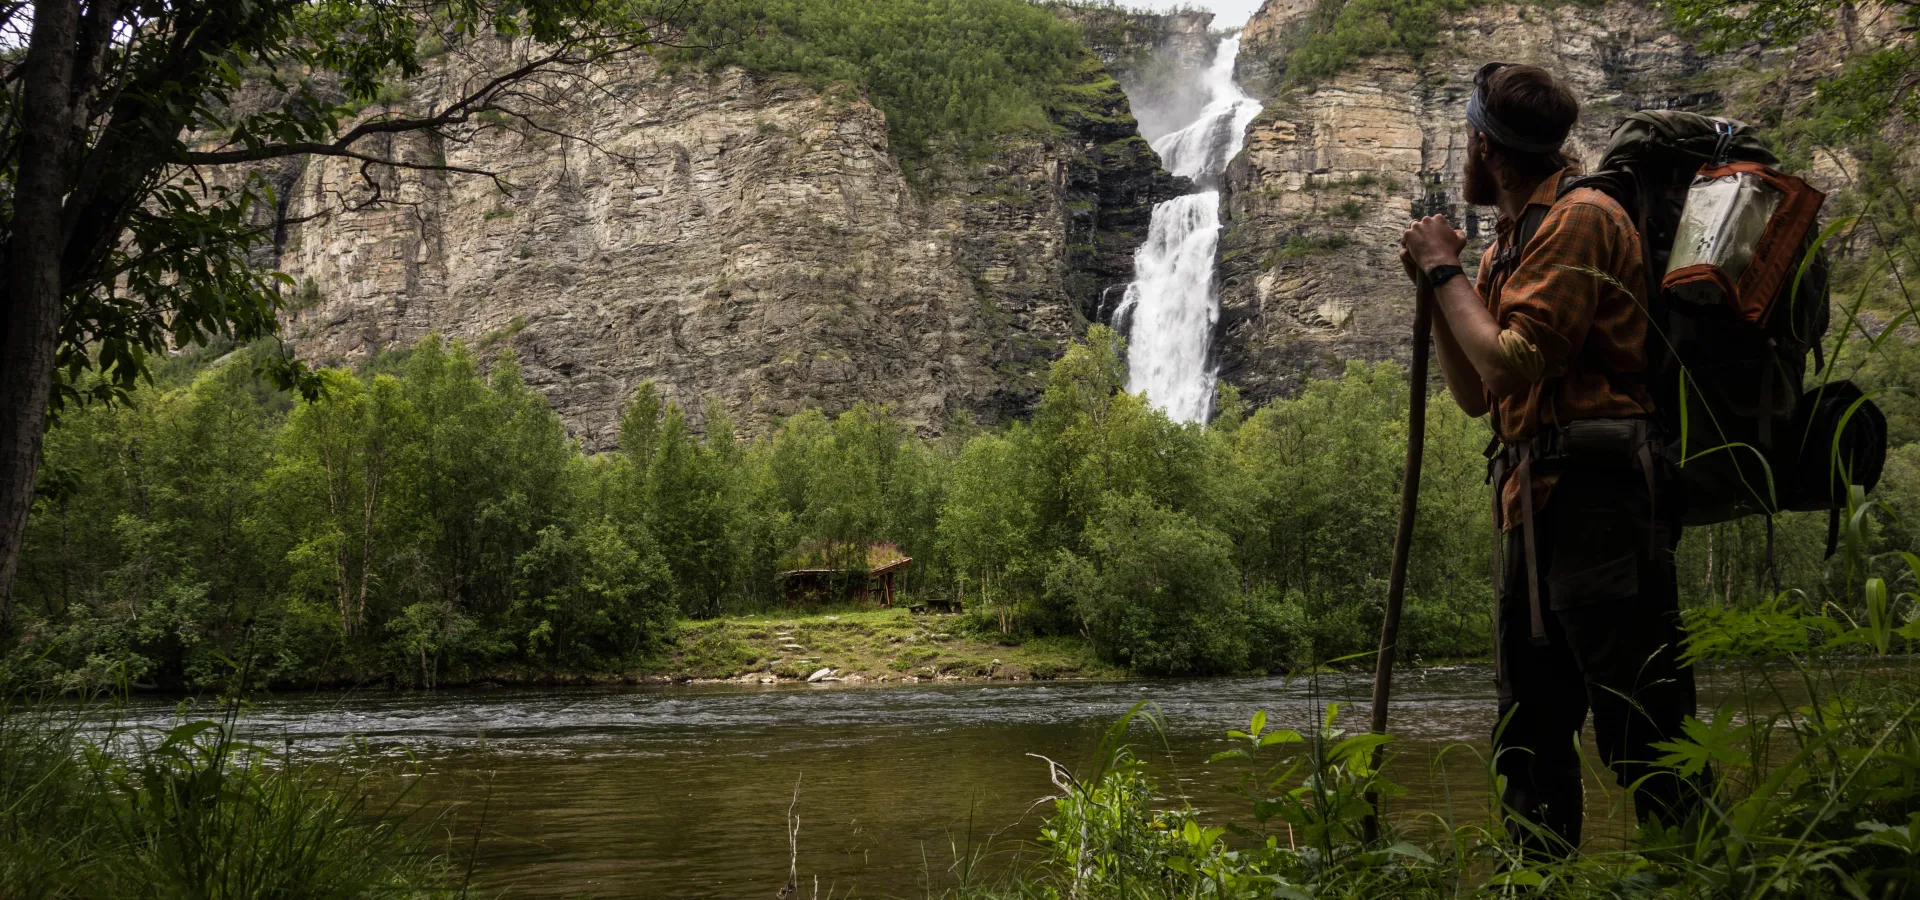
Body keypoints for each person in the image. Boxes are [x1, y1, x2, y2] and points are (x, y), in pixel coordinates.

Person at [1397, 62, 1699, 855]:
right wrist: (1442, 290)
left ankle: (1700, 872)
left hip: (1601, 503)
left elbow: (1514, 360)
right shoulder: (1508, 248)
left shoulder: (1582, 218)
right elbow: (1476, 393)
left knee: (1645, 725)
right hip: (1532, 506)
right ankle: (1537, 877)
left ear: (1485, 146)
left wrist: (1441, 269)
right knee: (1528, 736)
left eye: (1467, 135)